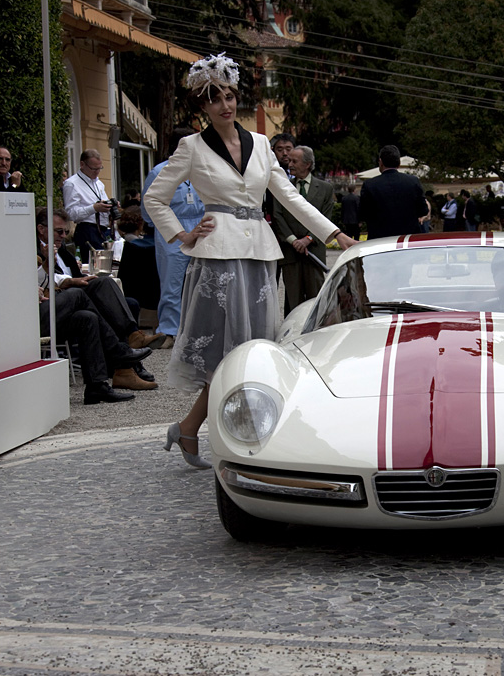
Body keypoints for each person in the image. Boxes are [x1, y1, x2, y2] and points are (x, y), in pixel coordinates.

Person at [144, 53, 357, 469]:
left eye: (230, 96)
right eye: (214, 99)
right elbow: (154, 197)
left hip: (259, 254)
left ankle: (199, 430)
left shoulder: (261, 144)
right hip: (217, 257)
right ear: (203, 107)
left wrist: (335, 233)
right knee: (227, 355)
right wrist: (181, 234)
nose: (224, 105)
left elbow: (289, 197)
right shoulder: (191, 147)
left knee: (255, 350)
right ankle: (219, 434)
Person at [37, 207, 163, 387]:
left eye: (66, 231)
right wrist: (66, 277)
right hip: (54, 305)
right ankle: (125, 359)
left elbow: (71, 274)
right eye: (59, 231)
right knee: (91, 302)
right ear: (41, 229)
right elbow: (37, 280)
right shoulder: (32, 250)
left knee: (108, 287)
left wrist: (76, 278)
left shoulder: (63, 250)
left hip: (71, 300)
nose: (63, 235)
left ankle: (132, 340)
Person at [141, 127, 204, 346]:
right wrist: (166, 228)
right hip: (172, 229)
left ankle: (197, 329)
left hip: (200, 227)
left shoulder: (202, 169)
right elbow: (148, 209)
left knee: (201, 282)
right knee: (172, 283)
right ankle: (169, 330)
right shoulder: (160, 171)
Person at [272, 145, 334, 315]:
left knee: (317, 300)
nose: (289, 164)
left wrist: (308, 239)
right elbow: (277, 216)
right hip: (290, 253)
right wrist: (293, 240)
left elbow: (325, 218)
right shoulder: (283, 187)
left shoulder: (325, 189)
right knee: (293, 300)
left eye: (294, 161)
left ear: (307, 164)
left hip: (314, 252)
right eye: (289, 160)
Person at [358, 145, 428, 239]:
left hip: (379, 239)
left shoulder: (369, 185)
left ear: (380, 162)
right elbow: (423, 210)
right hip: (408, 238)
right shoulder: (413, 182)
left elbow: (363, 213)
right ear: (399, 163)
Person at [63, 149, 114, 255]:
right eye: (93, 169)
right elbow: (71, 214)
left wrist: (110, 206)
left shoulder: (99, 183)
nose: (97, 172)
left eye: (99, 168)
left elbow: (102, 205)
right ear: (82, 164)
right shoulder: (71, 184)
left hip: (103, 230)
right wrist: (94, 208)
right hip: (87, 230)